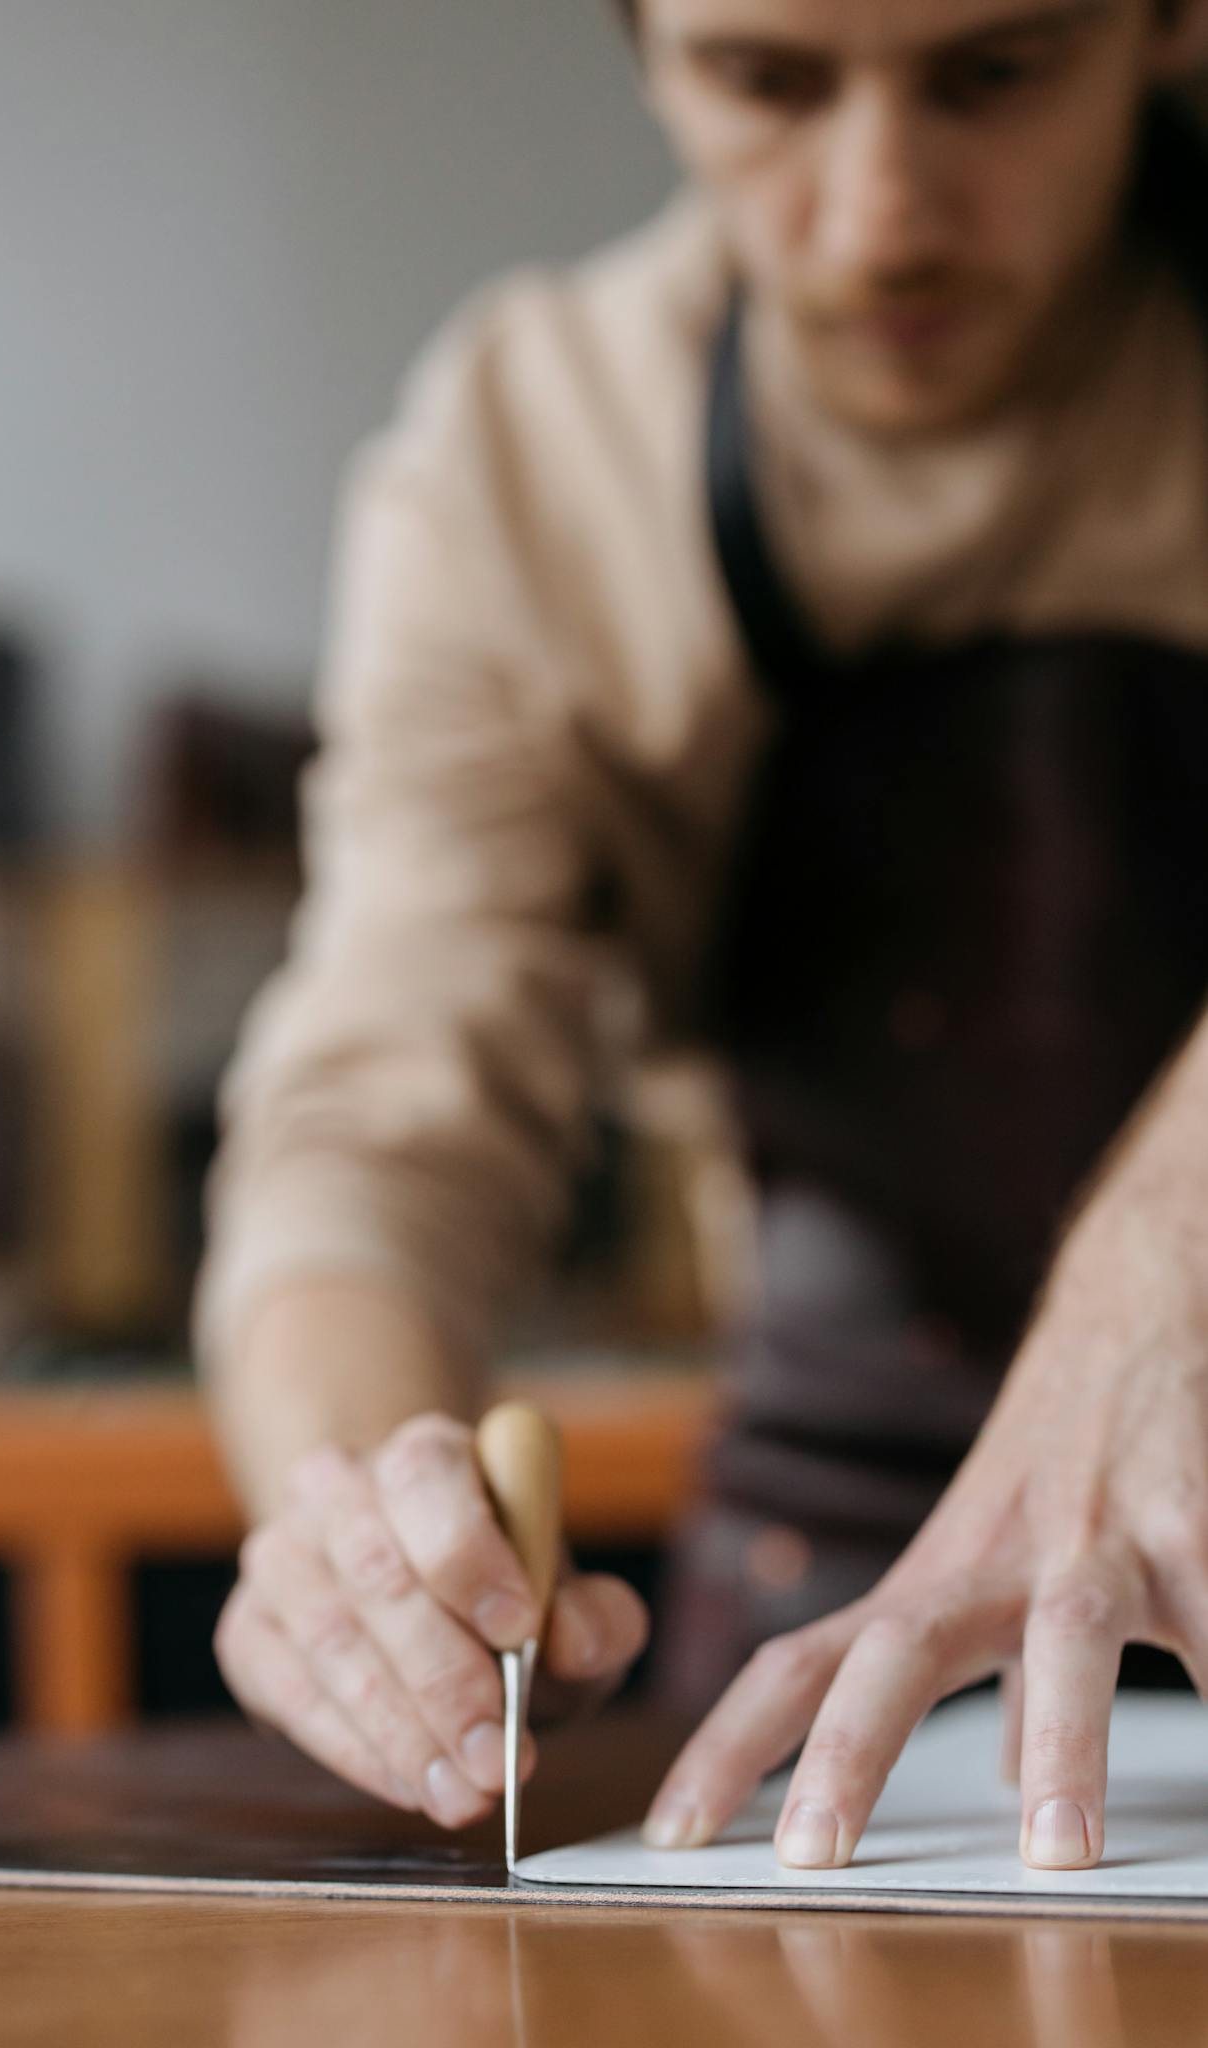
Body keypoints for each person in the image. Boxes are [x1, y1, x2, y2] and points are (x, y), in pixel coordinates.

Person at [197, 0, 1208, 1874]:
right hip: (818, 1608)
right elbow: (380, 1120)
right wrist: (364, 1516)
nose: (878, 215)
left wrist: (1166, 1265)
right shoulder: (531, 454)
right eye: (765, 81)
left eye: (991, 73)